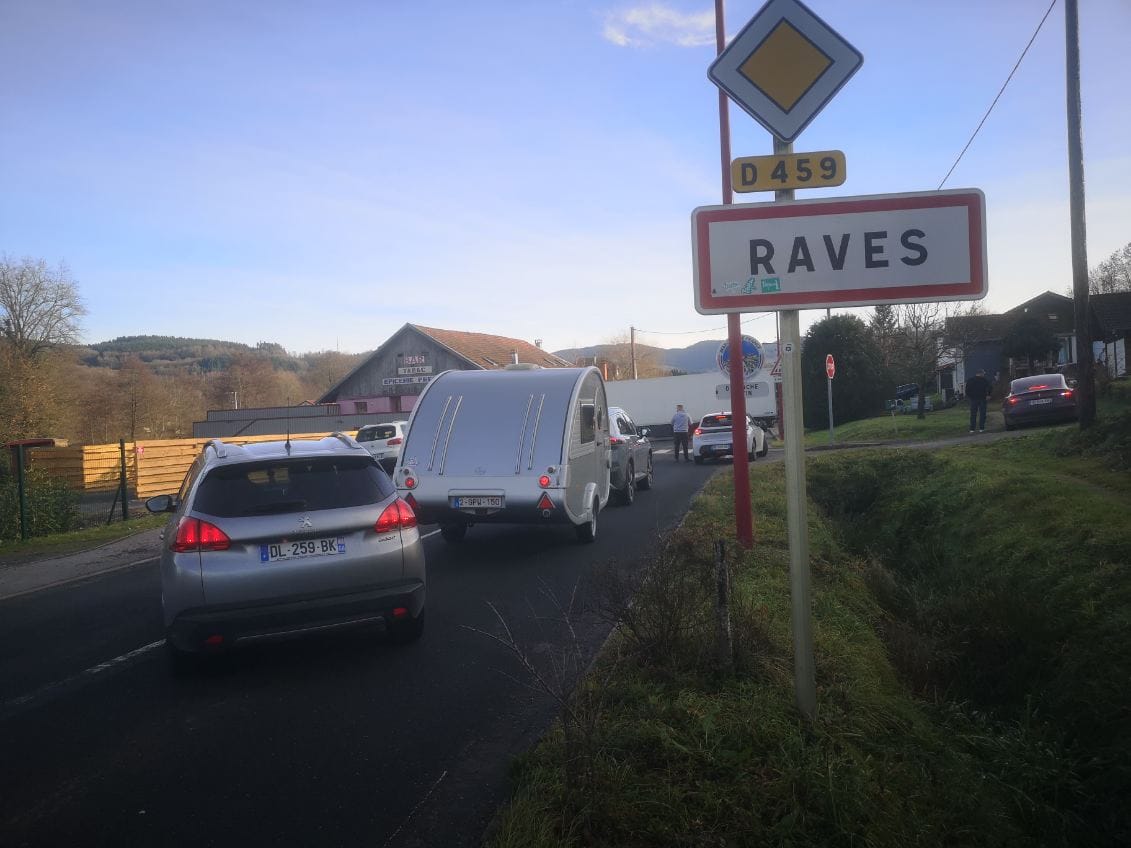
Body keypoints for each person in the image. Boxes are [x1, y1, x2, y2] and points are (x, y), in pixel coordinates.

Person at [965, 369, 992, 433]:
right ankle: (981, 428)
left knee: (973, 414)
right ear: (981, 373)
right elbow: (990, 387)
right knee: (982, 414)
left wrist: (970, 396)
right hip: (982, 398)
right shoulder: (984, 380)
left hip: (973, 399)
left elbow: (967, 390)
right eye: (983, 373)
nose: (984, 374)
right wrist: (988, 395)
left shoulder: (970, 380)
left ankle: (972, 429)